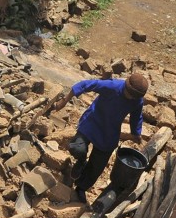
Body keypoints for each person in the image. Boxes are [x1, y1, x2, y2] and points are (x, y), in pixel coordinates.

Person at [52, 73, 148, 202]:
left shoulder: (137, 101)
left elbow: (137, 117)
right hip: (92, 122)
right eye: (129, 94)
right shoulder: (112, 86)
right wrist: (63, 102)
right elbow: (84, 84)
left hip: (109, 131)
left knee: (97, 166)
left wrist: (136, 133)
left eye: (133, 97)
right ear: (125, 86)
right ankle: (81, 161)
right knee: (77, 147)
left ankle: (81, 188)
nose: (130, 97)